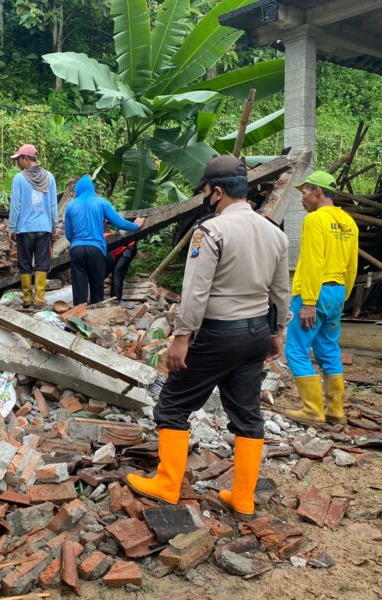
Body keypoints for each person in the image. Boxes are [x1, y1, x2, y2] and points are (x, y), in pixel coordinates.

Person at [126, 155, 290, 519]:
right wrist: (278, 333)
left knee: (172, 405)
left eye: (205, 191)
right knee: (247, 416)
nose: (205, 196)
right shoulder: (275, 233)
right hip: (256, 333)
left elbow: (196, 292)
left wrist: (181, 338)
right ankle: (243, 497)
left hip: (218, 333)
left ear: (216, 191)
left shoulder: (211, 232)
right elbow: (281, 291)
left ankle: (167, 483)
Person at [284, 171, 358, 426]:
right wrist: (342, 298)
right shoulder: (348, 222)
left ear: (317, 191)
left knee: (295, 349)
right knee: (328, 349)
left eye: (304, 192)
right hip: (337, 292)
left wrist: (309, 303)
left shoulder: (315, 220)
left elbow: (314, 262)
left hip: (313, 292)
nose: (302, 198)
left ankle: (312, 410)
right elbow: (352, 266)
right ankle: (336, 411)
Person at [64, 175, 144, 305]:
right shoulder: (101, 202)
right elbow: (119, 223)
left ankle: (77, 318)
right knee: (96, 286)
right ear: (91, 189)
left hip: (77, 250)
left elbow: (68, 235)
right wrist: (136, 225)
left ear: (78, 190)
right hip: (96, 250)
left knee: (79, 287)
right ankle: (95, 315)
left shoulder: (70, 206)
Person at [8, 144, 58, 307]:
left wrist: (11, 228)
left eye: (18, 160)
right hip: (43, 227)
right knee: (43, 262)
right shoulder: (49, 177)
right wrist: (54, 226)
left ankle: (27, 298)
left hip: (25, 228)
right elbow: (52, 205)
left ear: (25, 159)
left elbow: (15, 206)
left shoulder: (19, 178)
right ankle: (40, 298)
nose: (17, 164)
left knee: (25, 263)